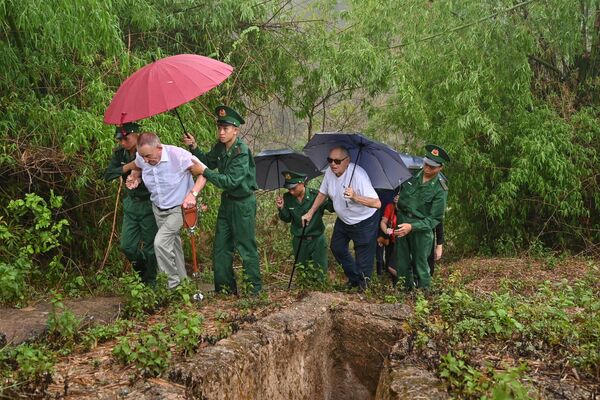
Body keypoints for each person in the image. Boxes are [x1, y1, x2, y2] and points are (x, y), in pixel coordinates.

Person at [184, 105, 262, 295]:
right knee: (221, 246)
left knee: (245, 246)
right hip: (227, 202)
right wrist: (193, 147)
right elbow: (209, 161)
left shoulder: (241, 152)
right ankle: (225, 289)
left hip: (243, 203)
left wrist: (203, 172)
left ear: (235, 130)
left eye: (225, 129)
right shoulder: (220, 146)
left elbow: (230, 181)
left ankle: (254, 290)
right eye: (219, 128)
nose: (221, 132)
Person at [125, 132, 207, 290]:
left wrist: (193, 194)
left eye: (149, 156)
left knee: (160, 243)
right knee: (173, 245)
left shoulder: (178, 155)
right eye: (144, 157)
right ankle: (184, 285)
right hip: (158, 209)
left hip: (179, 209)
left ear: (159, 147)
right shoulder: (142, 158)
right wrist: (135, 177)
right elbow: (137, 166)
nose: (147, 160)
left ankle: (172, 287)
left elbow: (204, 172)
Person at [301, 146, 381, 290]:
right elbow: (322, 193)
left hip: (364, 221)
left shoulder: (358, 175)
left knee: (363, 257)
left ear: (347, 161)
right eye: (330, 160)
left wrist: (355, 197)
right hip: (344, 221)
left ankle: (364, 288)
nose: (333, 164)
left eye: (337, 161)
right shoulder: (330, 173)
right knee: (337, 248)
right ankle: (354, 279)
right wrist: (310, 212)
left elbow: (377, 203)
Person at [103, 123, 158, 285]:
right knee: (127, 246)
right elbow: (108, 175)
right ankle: (143, 273)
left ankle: (151, 284)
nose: (122, 143)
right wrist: (129, 166)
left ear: (136, 135)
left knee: (150, 248)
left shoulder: (149, 150)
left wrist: (139, 168)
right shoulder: (121, 154)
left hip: (148, 203)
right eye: (120, 140)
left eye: (126, 139)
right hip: (131, 204)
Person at [393, 144, 449, 291]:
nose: (428, 168)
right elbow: (402, 199)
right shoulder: (411, 175)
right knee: (402, 263)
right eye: (426, 163)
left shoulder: (440, 188)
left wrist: (412, 227)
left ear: (440, 168)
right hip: (402, 222)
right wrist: (398, 203)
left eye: (432, 166)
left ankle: (424, 296)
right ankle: (405, 293)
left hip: (421, 229)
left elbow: (435, 219)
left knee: (421, 266)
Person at [276, 171, 333, 281]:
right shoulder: (287, 198)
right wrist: (281, 207)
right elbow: (287, 218)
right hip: (299, 241)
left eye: (294, 188)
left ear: (302, 183)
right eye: (289, 189)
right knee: (302, 274)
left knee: (320, 274)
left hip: (317, 240)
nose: (291, 192)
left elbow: (331, 208)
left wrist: (332, 195)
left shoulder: (316, 195)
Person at [374, 188, 396, 276]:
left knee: (390, 247)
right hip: (380, 214)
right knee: (380, 242)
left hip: (391, 214)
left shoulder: (399, 183)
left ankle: (388, 269)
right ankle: (380, 269)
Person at [378, 199, 398, 280]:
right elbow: (383, 222)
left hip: (403, 241)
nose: (397, 197)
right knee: (389, 265)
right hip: (392, 240)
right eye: (396, 195)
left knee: (393, 267)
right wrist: (386, 231)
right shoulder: (390, 207)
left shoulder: (408, 207)